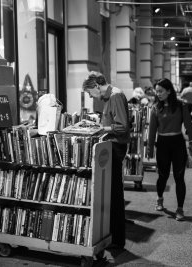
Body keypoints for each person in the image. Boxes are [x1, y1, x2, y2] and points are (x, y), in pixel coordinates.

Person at [82, 71, 130, 249]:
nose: (90, 96)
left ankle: (117, 239)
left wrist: (101, 128)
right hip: (114, 146)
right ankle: (114, 235)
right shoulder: (112, 96)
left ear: (96, 86)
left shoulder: (115, 96)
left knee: (114, 193)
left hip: (115, 147)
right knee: (111, 191)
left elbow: (122, 126)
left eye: (89, 92)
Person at [147, 78, 192, 221]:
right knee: (162, 175)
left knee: (179, 177)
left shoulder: (181, 106)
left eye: (161, 91)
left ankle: (180, 209)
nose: (158, 94)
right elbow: (152, 131)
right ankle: (160, 198)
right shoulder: (155, 107)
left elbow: (188, 125)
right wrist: (150, 149)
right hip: (162, 143)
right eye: (156, 91)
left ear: (169, 91)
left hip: (178, 143)